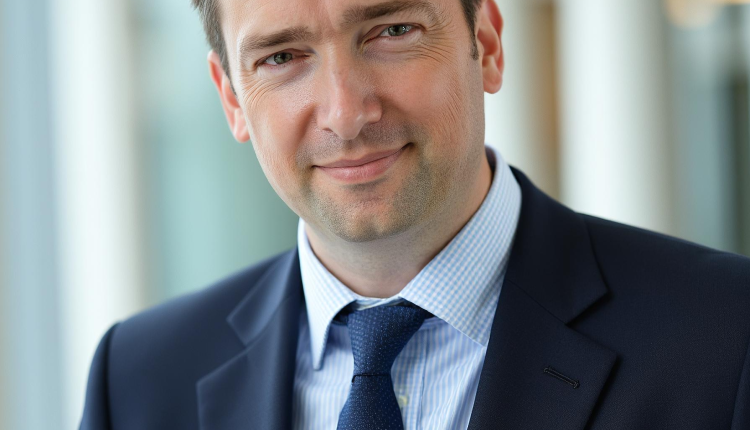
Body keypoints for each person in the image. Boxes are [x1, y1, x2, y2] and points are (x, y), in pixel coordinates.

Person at [79, 0, 750, 428]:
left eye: (392, 31)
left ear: (486, 43)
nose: (346, 113)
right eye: (281, 57)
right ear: (232, 98)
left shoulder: (727, 339)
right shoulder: (138, 381)